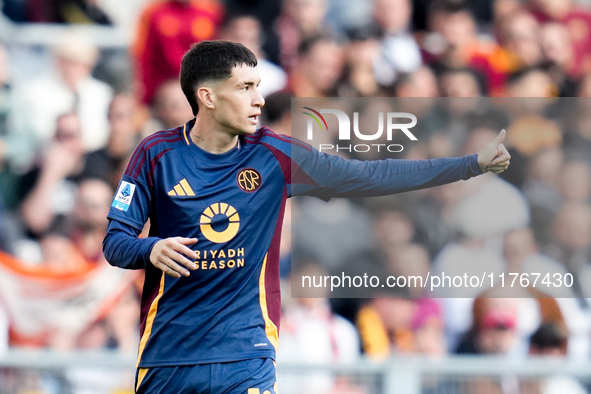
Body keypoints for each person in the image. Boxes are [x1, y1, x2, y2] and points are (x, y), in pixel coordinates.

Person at [102, 40, 510, 393]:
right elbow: (115, 241)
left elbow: (370, 176)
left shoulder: (274, 155)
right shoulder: (156, 154)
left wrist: (470, 164)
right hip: (167, 355)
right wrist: (151, 248)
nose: (259, 100)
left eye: (257, 87)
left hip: (244, 356)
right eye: (245, 88)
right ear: (208, 96)